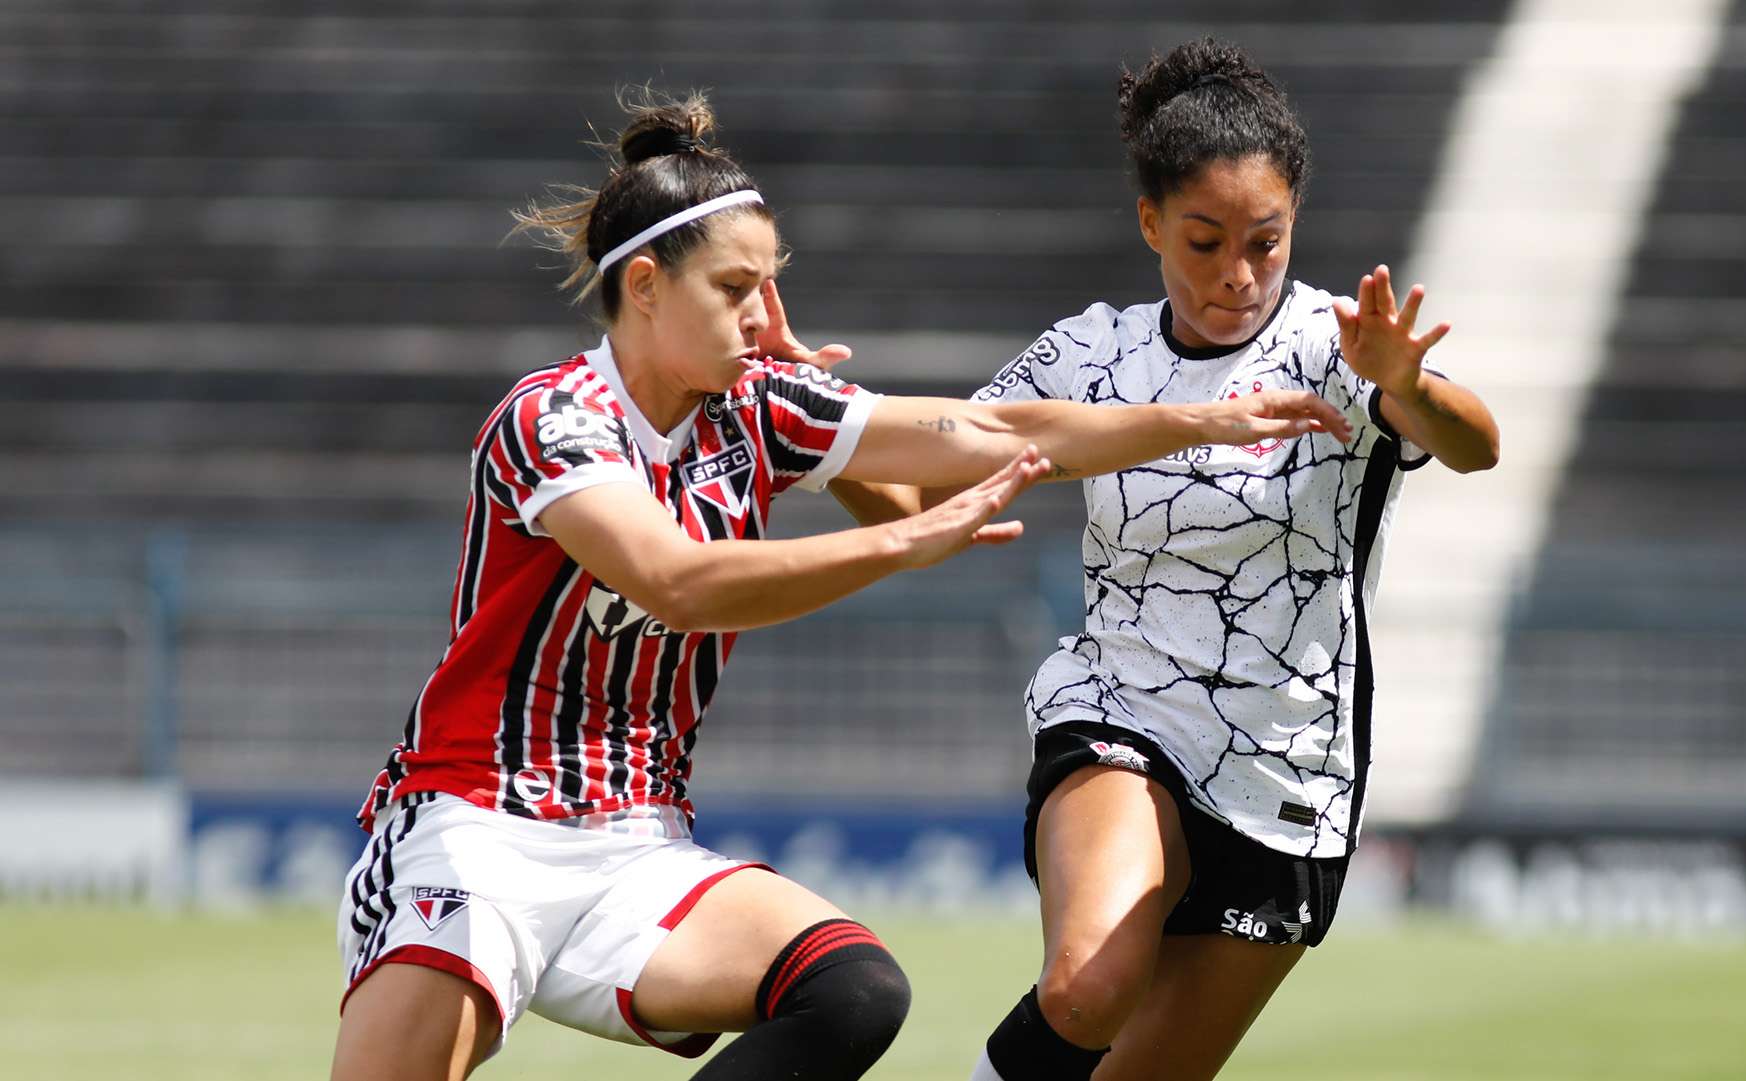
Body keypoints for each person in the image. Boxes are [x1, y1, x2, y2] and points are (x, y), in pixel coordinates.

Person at [329, 87, 1354, 1081]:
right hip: (476, 826)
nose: (765, 313)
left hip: (634, 844)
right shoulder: (554, 418)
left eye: (773, 284)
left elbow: (991, 432)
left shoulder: (760, 405)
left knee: (853, 991)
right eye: (737, 288)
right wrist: (899, 549)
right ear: (645, 286)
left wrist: (1202, 417)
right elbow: (681, 582)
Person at [942, 38, 1503, 1081]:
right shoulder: (1089, 354)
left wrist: (1408, 387)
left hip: (1289, 771)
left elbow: (1477, 443)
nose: (1236, 276)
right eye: (1204, 241)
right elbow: (926, 459)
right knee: (1086, 987)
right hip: (1124, 712)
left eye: (1266, 242)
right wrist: (819, 429)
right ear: (1151, 222)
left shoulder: (1346, 346)